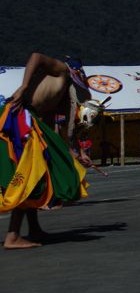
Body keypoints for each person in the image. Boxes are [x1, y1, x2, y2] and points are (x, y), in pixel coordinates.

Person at [2, 53, 94, 249]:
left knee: (40, 175)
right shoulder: (61, 69)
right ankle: (12, 236)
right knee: (27, 176)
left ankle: (34, 229)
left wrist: (78, 153)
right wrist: (24, 86)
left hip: (31, 123)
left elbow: (60, 131)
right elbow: (36, 56)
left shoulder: (62, 95)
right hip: (18, 117)